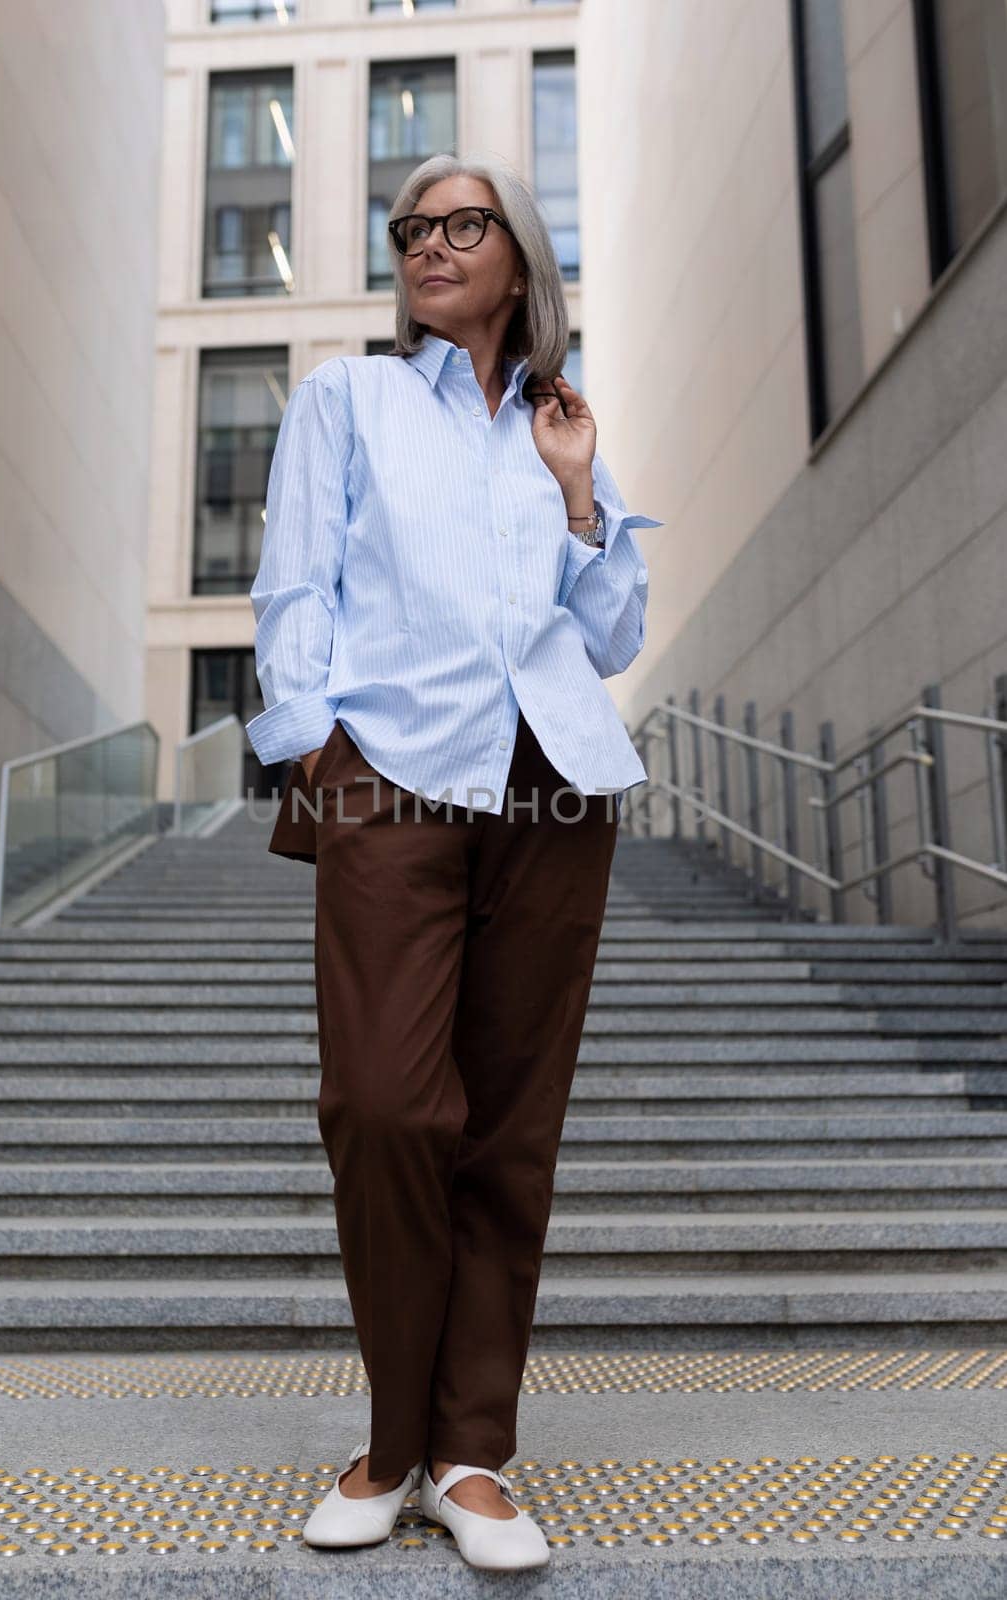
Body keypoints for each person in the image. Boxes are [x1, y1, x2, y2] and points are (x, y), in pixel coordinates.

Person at [245, 151, 662, 1572]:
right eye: (411, 227)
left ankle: (469, 1454)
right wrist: (315, 751)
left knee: (508, 1131)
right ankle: (390, 1435)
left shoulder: (559, 422)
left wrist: (582, 492)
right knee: (383, 1104)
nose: (429, 243)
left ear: (519, 256)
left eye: (460, 222)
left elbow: (612, 635)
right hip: (391, 781)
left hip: (555, 785)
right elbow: (293, 583)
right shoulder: (347, 399)